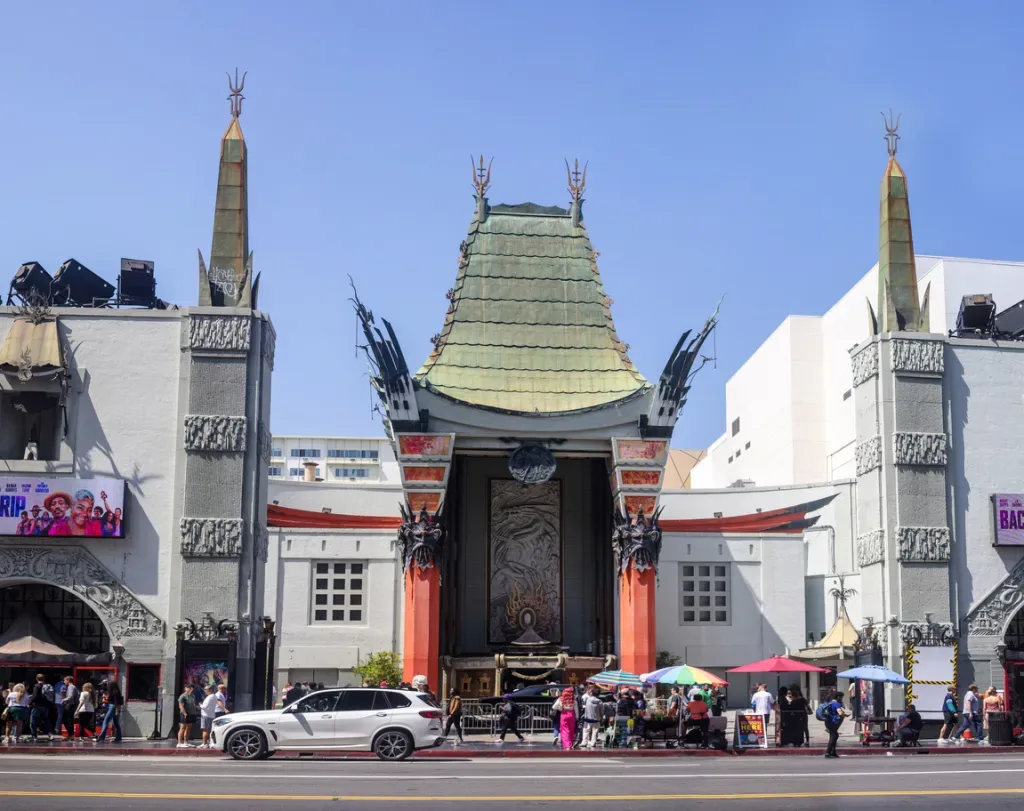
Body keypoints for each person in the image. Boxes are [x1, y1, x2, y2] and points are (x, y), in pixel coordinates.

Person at [29, 673, 54, 742]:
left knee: (33, 721)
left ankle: (34, 736)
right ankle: (50, 734)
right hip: (46, 706)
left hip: (37, 706)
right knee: (46, 720)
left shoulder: (37, 686)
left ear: (36, 679)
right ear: (44, 679)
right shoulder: (48, 686)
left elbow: (35, 697)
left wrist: (30, 703)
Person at [823, 691, 847, 758]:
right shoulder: (837, 704)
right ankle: (828, 752)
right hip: (833, 723)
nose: (842, 699)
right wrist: (845, 715)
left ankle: (833, 752)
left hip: (827, 722)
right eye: (841, 697)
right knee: (834, 736)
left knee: (834, 736)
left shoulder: (829, 703)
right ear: (838, 697)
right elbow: (840, 713)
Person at [177, 684, 197, 749]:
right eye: (188, 688)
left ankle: (186, 742)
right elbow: (181, 706)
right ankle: (179, 743)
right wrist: (185, 713)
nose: (190, 689)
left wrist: (194, 712)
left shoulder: (193, 696)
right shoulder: (182, 696)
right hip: (184, 713)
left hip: (191, 713)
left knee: (189, 728)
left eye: (191, 688)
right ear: (185, 688)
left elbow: (194, 705)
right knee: (182, 727)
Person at [199, 685, 219, 749]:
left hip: (205, 715)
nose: (204, 691)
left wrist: (200, 705)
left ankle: (204, 743)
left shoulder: (209, 697)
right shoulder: (215, 696)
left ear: (210, 690)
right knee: (210, 730)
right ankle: (210, 743)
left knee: (205, 730)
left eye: (205, 689)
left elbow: (205, 707)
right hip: (212, 715)